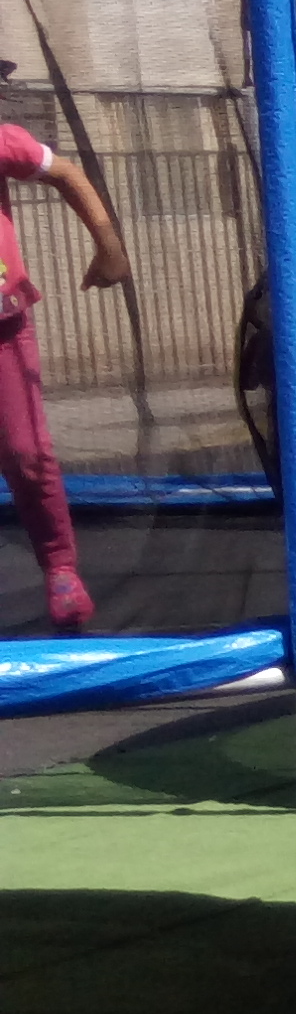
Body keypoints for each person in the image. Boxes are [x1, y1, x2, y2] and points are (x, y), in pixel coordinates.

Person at [0, 116, 132, 632]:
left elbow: (67, 174)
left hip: (4, 331)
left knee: (27, 453)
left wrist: (109, 244)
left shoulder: (3, 141)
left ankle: (60, 568)